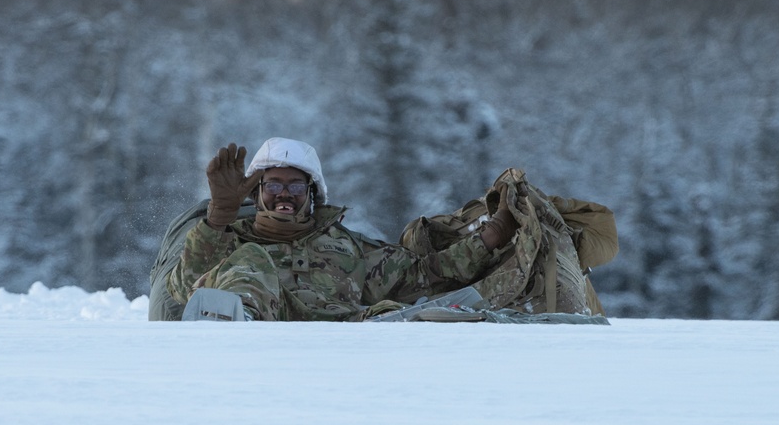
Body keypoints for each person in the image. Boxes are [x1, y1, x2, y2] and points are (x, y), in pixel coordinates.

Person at [162, 137, 525, 322]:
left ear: (312, 194)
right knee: (250, 260)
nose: (284, 194)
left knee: (415, 313)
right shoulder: (228, 242)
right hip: (258, 344)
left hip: (341, 343)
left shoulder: (347, 248)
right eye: (273, 185)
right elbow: (180, 288)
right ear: (256, 194)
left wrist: (494, 232)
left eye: (295, 186)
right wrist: (220, 215)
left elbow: (425, 273)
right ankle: (233, 333)